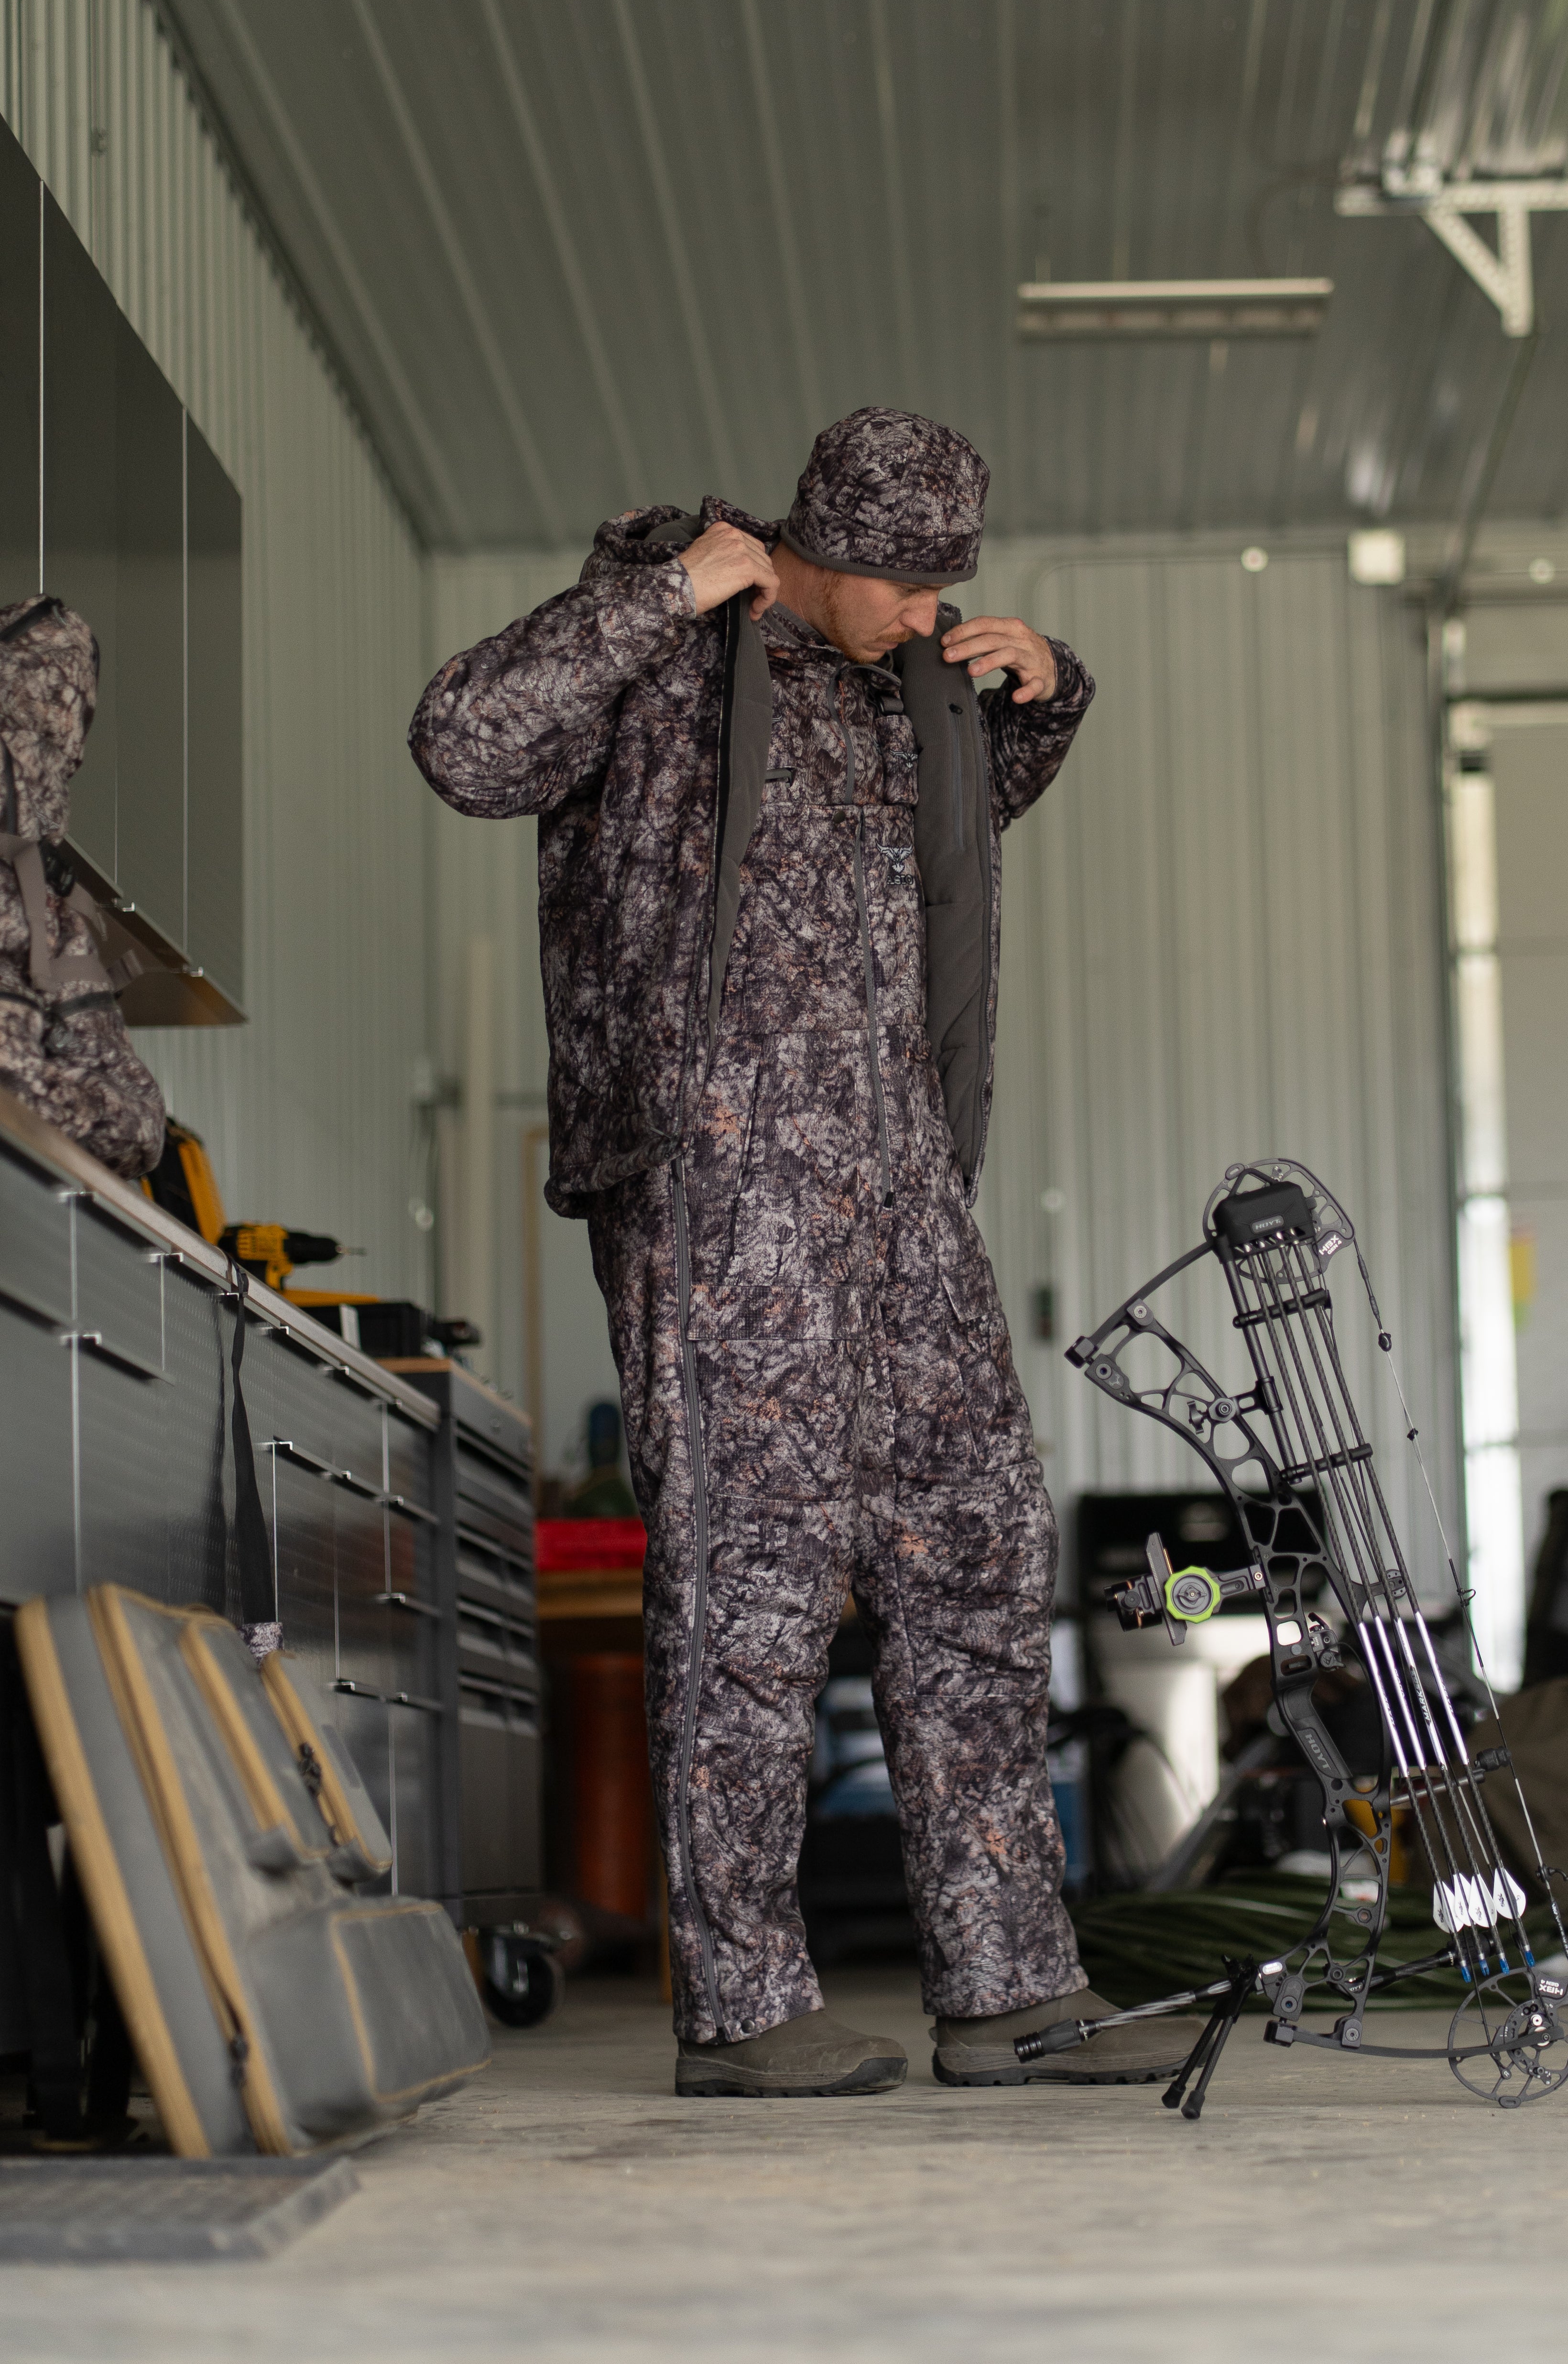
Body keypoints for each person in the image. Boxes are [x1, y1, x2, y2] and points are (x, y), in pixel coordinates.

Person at [411, 407, 1188, 2096]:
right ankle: (747, 2005)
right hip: (718, 1173)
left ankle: (1004, 1983)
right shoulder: (665, 633)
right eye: (902, 586)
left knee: (976, 1538)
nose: (923, 614)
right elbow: (465, 745)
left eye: (947, 589)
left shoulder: (898, 686)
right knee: (751, 1573)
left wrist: (1049, 692)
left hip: (902, 1170)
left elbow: (962, 836)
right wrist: (657, 598)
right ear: (816, 543)